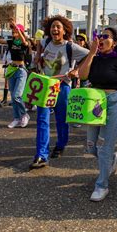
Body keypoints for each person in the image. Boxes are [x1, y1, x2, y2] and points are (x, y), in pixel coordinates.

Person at [78, 27, 117, 201]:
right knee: (91, 146)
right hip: (94, 103)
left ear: (115, 42)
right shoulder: (94, 58)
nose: (101, 39)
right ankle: (112, 157)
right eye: (99, 36)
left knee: (103, 147)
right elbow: (82, 75)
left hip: (113, 103)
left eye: (106, 36)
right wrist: (91, 53)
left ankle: (102, 185)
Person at [29, 15, 89, 169]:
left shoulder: (71, 47)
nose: (55, 29)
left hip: (62, 87)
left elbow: (89, 56)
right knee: (42, 119)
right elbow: (38, 43)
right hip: (45, 86)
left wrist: (76, 70)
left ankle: (61, 144)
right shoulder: (46, 42)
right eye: (52, 27)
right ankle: (41, 155)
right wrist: (37, 55)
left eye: (58, 27)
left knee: (61, 119)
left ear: (64, 31)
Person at [0, 20, 30, 128]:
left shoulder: (24, 42)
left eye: (16, 32)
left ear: (21, 32)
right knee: (13, 98)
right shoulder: (11, 42)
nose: (14, 34)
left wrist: (17, 28)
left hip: (21, 71)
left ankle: (24, 115)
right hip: (11, 70)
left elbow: (25, 42)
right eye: (13, 32)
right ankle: (16, 118)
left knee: (17, 95)